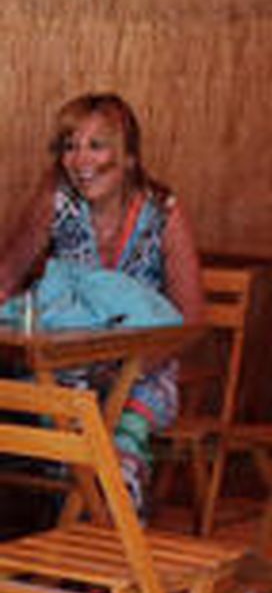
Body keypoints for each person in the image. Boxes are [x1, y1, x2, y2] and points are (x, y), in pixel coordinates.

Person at [0, 92, 203, 514]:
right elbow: (6, 278)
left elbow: (191, 320)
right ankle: (72, 548)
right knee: (61, 421)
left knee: (117, 436)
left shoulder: (164, 213)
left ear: (129, 156)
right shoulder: (57, 203)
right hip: (64, 366)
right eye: (71, 146)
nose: (80, 160)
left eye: (97, 145)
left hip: (142, 370)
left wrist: (125, 370)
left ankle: (108, 554)